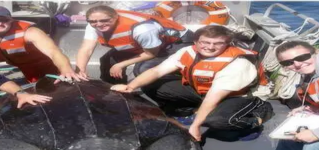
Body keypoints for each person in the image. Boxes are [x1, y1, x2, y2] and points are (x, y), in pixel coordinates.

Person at [110, 25, 273, 141]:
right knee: (152, 85)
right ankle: (194, 110)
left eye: (217, 43)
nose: (210, 47)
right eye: (205, 42)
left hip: (240, 96)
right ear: (195, 42)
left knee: (216, 121)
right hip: (204, 91)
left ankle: (255, 119)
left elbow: (213, 98)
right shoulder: (188, 51)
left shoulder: (237, 63)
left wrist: (196, 125)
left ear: (227, 44)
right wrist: (130, 86)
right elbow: (157, 71)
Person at [0, 6, 86, 83]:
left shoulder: (31, 32)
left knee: (44, 85)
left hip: (29, 61)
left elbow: (54, 52)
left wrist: (66, 69)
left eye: (4, 19)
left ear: (11, 19)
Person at [76, 5, 192, 85]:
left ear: (115, 17)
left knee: (142, 69)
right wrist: (80, 71)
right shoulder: (93, 25)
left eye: (104, 20)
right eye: (93, 21)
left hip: (176, 43)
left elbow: (151, 53)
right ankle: (114, 93)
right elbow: (86, 49)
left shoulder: (142, 29)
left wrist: (121, 64)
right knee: (108, 61)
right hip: (145, 45)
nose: (99, 24)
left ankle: (176, 101)